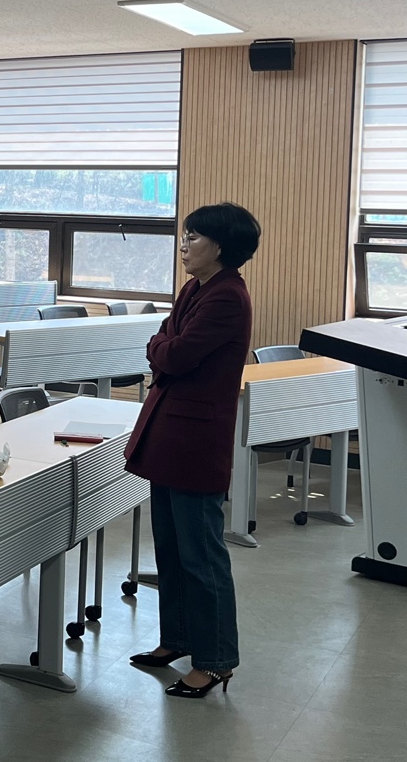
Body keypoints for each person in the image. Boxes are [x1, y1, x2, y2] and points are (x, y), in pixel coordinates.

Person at [125, 202, 259, 698]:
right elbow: (166, 338)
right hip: (170, 436)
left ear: (220, 247)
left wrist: (161, 345)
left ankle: (215, 659)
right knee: (172, 549)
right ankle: (176, 638)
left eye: (194, 237)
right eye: (184, 235)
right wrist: (163, 342)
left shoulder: (227, 297)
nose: (183, 244)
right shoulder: (196, 288)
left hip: (195, 441)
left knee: (202, 555)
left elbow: (173, 352)